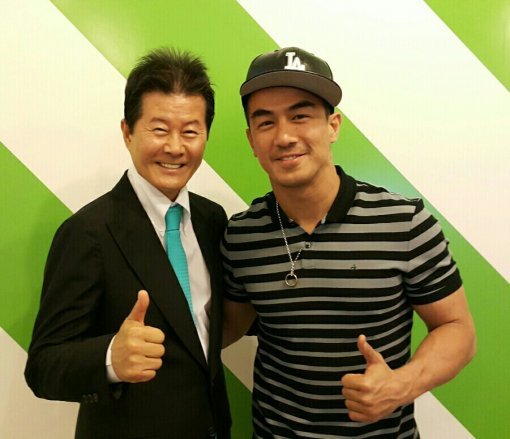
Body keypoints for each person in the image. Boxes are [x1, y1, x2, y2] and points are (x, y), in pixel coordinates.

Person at [221, 47, 476, 438]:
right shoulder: (242, 235)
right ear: (252, 140)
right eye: (266, 122)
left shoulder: (404, 222)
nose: (285, 136)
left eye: (300, 116)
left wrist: (401, 385)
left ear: (333, 125)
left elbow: (457, 329)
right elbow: (226, 328)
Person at [25, 48, 231, 439]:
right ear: (127, 132)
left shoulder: (212, 220)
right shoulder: (88, 232)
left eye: (190, 131)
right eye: (159, 129)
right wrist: (110, 358)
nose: (175, 147)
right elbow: (43, 367)